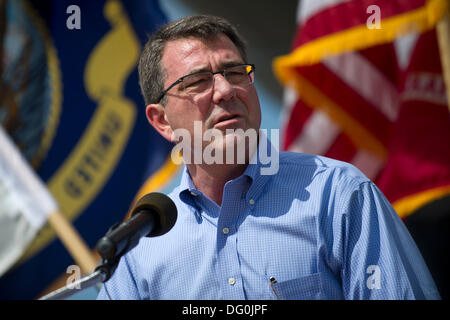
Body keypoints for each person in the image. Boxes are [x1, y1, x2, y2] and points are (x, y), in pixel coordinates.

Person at [97, 15, 440, 300]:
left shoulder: (340, 195)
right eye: (198, 81)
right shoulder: (138, 249)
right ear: (162, 120)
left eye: (234, 72)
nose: (225, 90)